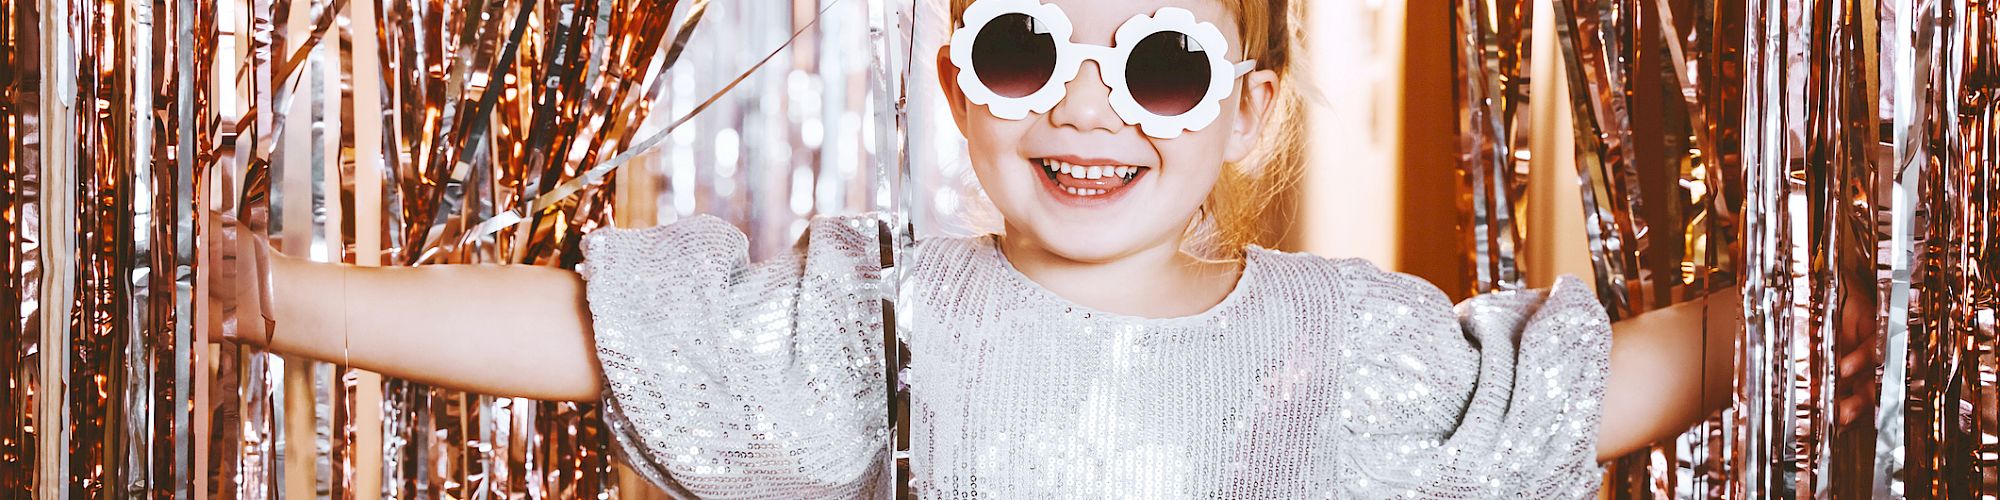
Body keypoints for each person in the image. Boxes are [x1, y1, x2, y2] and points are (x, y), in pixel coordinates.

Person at [208, 0, 1743, 497]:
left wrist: (1820, 304)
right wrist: (278, 297)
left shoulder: (1343, 333)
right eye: (1023, 43)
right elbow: (590, 331)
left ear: (1247, 109)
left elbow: (1590, 388)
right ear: (957, 78)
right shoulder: (893, 311)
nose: (1088, 108)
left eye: (1156, 62)